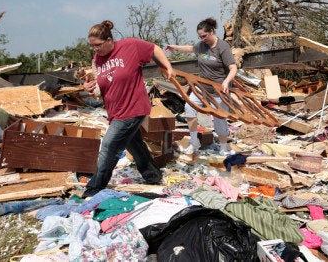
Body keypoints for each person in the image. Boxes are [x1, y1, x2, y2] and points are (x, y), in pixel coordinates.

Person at [82, 20, 174, 198]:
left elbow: (154, 48)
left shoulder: (130, 46)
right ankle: (153, 175)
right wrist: (90, 88)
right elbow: (100, 88)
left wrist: (169, 67)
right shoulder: (98, 60)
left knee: (109, 146)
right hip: (115, 111)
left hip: (133, 108)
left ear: (109, 40)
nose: (95, 49)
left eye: (98, 45)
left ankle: (94, 188)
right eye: (92, 46)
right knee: (135, 144)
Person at [166, 18, 237, 156]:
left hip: (219, 90)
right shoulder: (202, 46)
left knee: (219, 118)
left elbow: (233, 68)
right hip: (202, 88)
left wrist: (227, 81)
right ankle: (194, 142)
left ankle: (223, 147)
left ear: (211, 32)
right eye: (200, 37)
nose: (203, 39)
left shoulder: (223, 47)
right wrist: (174, 47)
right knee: (189, 108)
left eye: (204, 36)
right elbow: (191, 49)